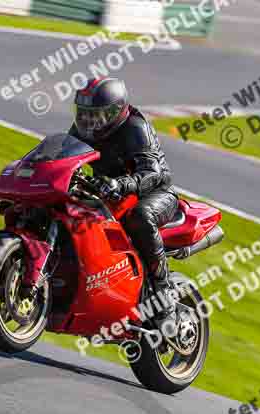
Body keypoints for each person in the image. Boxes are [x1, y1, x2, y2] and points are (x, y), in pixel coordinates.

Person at [68, 77, 179, 330]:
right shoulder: (82, 129)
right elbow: (64, 156)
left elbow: (153, 173)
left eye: (95, 114)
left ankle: (163, 294)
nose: (87, 121)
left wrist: (121, 184)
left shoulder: (134, 127)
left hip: (155, 194)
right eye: (83, 113)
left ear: (115, 111)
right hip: (112, 192)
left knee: (140, 217)